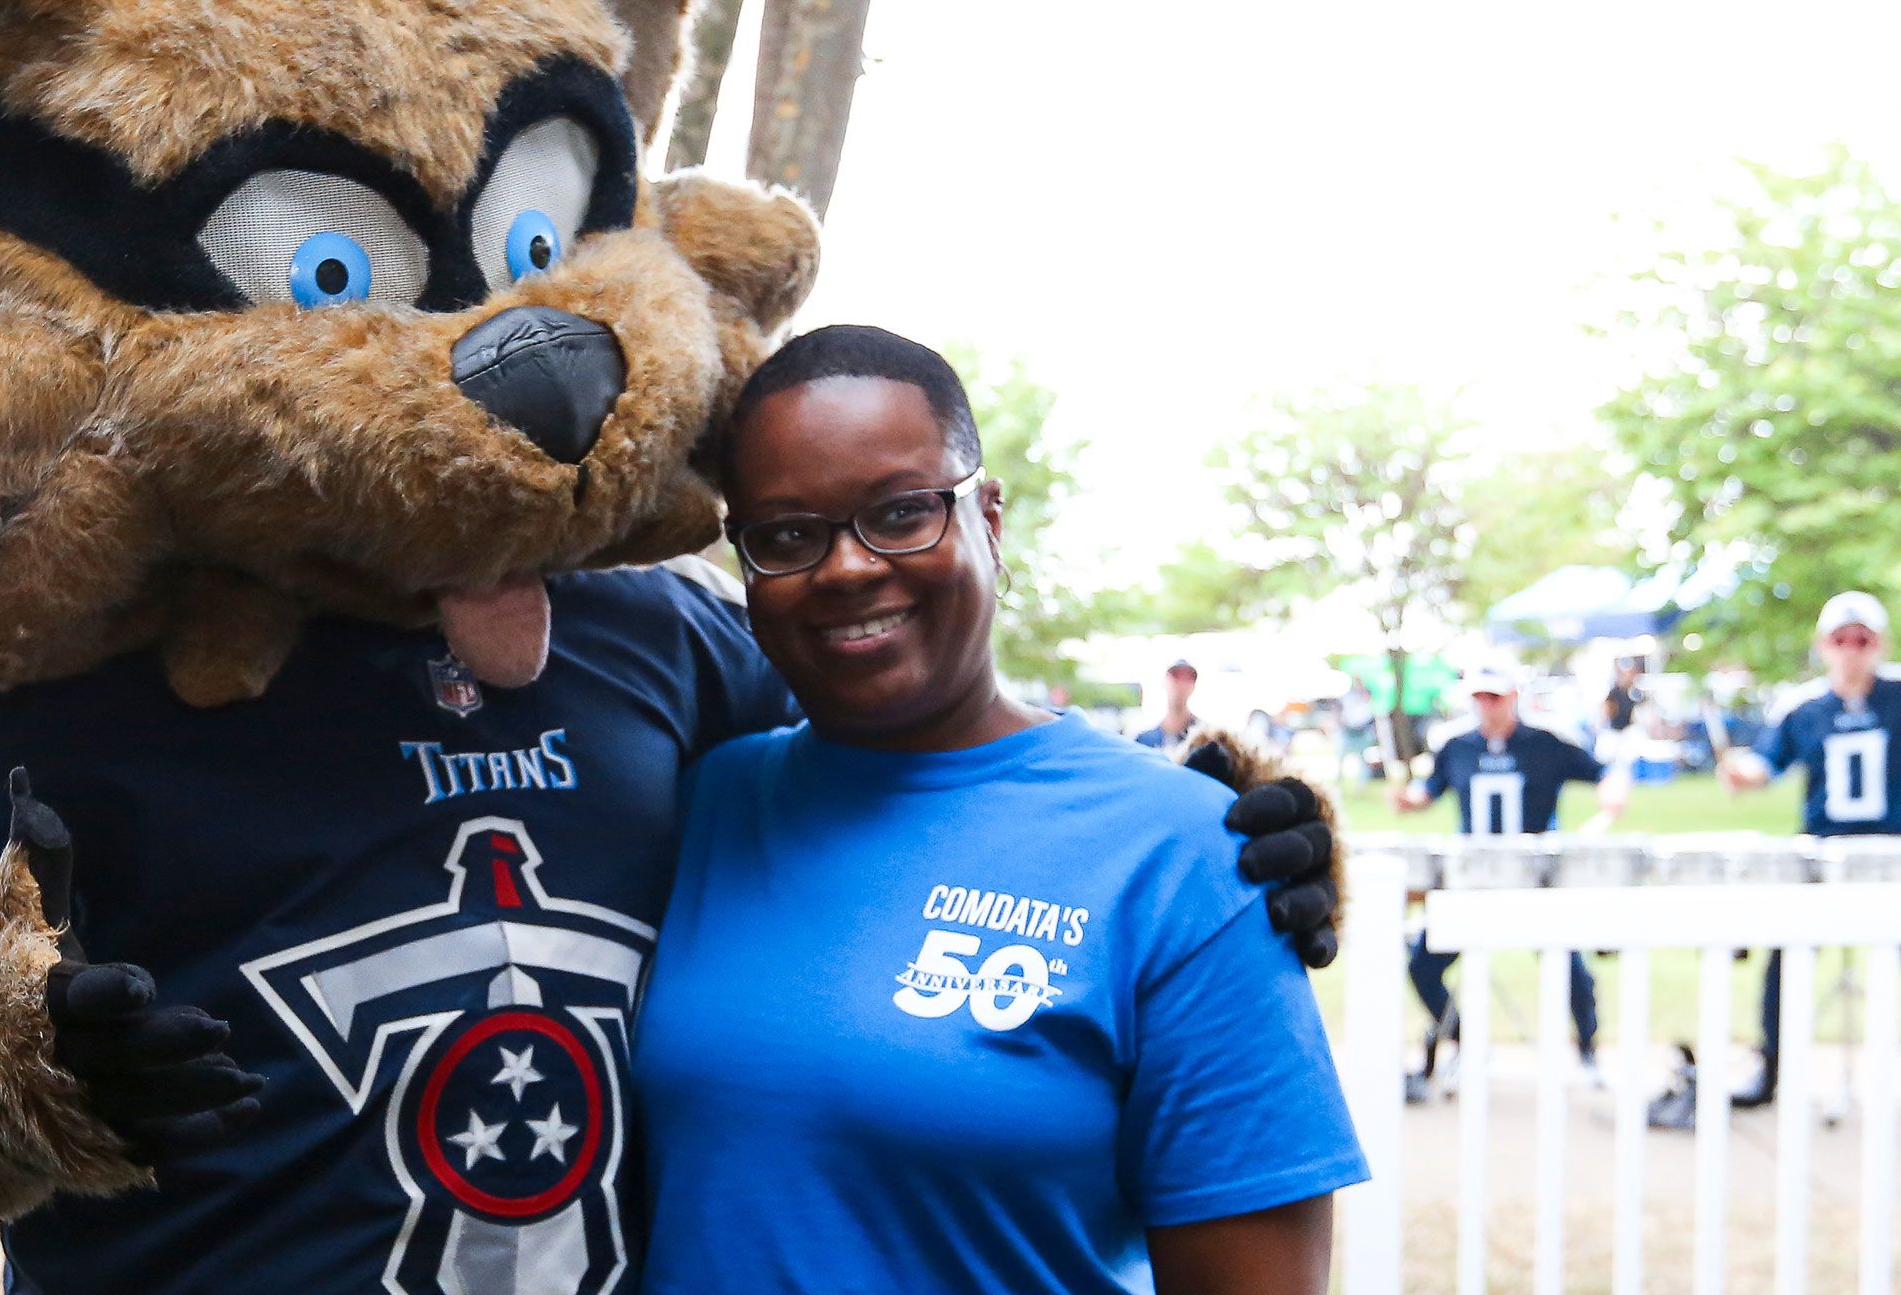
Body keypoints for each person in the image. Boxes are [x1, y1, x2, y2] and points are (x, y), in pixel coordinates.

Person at [636, 326, 1363, 1295]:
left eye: (901, 513)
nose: (847, 567)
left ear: (988, 517)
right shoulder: (699, 803)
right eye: (785, 534)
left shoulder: (1186, 854)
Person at [1393, 666, 1625, 1095]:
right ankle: (1464, 1043)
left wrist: (1612, 790)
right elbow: (1429, 791)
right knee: (1423, 966)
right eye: (1479, 698)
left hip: (1532, 881)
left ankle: (1589, 1052)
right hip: (1472, 880)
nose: (1487, 706)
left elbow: (1601, 772)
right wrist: (1409, 800)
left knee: (1570, 971)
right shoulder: (1456, 747)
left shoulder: (1545, 743)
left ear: (1513, 696)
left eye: (1494, 697)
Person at [1719, 589, 1901, 1108]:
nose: (1851, 650)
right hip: (1823, 854)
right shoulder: (1803, 708)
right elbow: (1766, 763)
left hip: (1893, 854)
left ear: (1878, 644)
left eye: (1861, 640)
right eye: (1841, 640)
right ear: (1824, 645)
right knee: (1787, 952)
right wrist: (1741, 773)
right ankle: (1770, 1065)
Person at [1135, 657, 1205, 758]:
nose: (1181, 684)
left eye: (1187, 679)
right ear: (1164, 681)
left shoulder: (1203, 740)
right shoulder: (1144, 741)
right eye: (1175, 676)